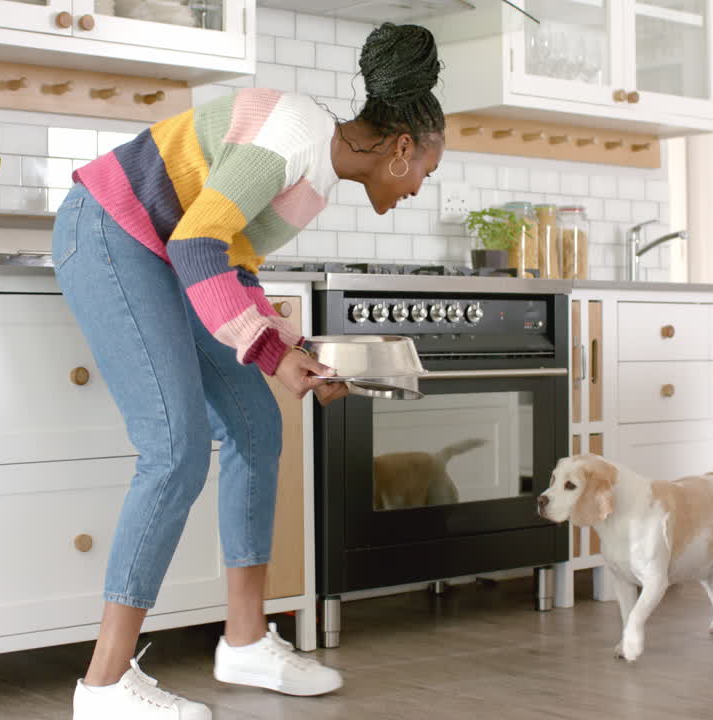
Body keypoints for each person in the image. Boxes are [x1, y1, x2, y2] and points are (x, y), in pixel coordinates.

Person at [53, 21, 446, 720]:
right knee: (173, 452)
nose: (420, 187)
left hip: (166, 249)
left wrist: (288, 355)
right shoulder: (293, 135)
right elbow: (198, 241)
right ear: (402, 149)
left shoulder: (316, 177)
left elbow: (228, 262)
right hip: (113, 229)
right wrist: (271, 349)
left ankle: (243, 641)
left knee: (255, 427)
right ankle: (104, 687)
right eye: (425, 172)